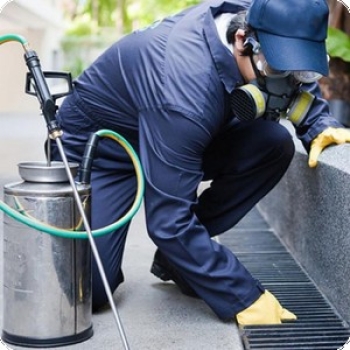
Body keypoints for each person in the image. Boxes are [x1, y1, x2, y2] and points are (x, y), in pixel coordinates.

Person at [50, 0, 350, 325]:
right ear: (242, 40)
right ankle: (182, 253)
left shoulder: (267, 14)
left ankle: (178, 262)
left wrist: (319, 124)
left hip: (178, 130)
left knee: (273, 144)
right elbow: (169, 220)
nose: (287, 84)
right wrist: (241, 296)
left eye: (299, 70)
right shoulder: (184, 87)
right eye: (276, 70)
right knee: (91, 291)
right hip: (104, 151)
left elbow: (295, 71)